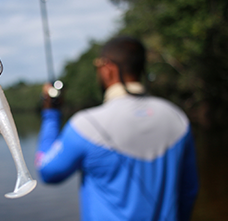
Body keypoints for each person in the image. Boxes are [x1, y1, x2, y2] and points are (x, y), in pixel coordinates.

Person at [35, 36, 199, 221]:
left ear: (108, 69)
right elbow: (189, 191)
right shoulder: (177, 118)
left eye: (98, 66)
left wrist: (50, 114)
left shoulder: (86, 124)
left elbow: (47, 171)